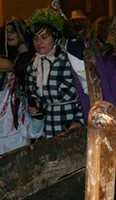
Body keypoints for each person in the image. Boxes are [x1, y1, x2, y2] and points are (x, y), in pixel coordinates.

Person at [25, 8, 84, 138]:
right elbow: (32, 95)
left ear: (55, 37)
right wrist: (33, 108)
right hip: (47, 129)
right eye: (35, 38)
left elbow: (85, 93)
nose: (39, 42)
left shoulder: (68, 60)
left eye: (44, 37)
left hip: (70, 127)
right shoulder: (33, 64)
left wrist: (79, 121)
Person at [0, 17, 34, 89]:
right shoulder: (15, 55)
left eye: (12, 31)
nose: (8, 35)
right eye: (7, 32)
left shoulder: (28, 58)